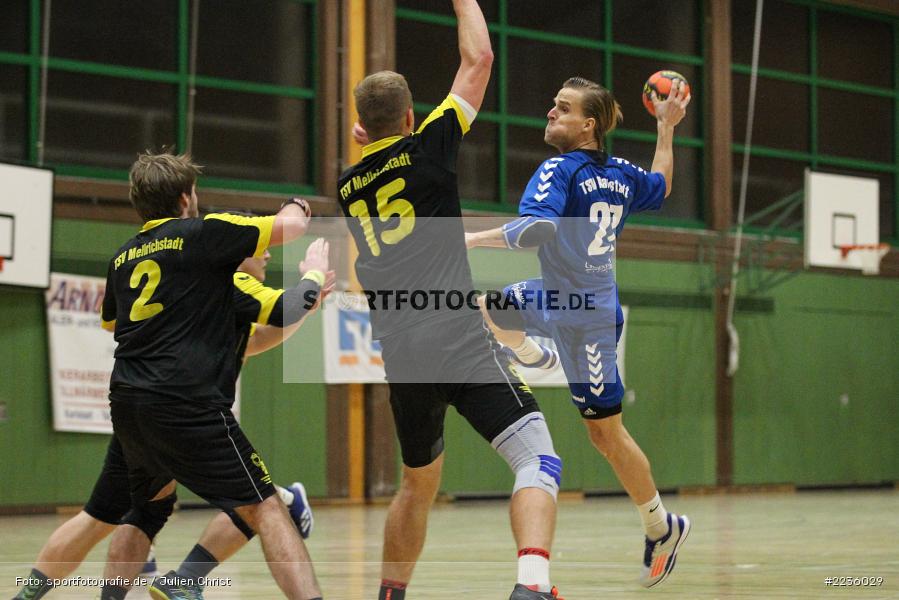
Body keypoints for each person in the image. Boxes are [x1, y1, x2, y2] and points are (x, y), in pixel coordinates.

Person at [339, 2, 562, 599]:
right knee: (538, 459)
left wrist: (378, 135)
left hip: (403, 355)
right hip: (458, 339)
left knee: (416, 484)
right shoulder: (430, 146)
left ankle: (390, 596)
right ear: (414, 115)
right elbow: (479, 58)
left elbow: (378, 154)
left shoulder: (347, 186)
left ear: (361, 126)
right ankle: (533, 585)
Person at [464, 76, 692, 588]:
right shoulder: (620, 173)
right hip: (557, 298)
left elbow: (535, 230)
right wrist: (665, 129)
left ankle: (661, 526)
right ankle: (535, 356)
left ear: (588, 125)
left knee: (604, 434)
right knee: (495, 305)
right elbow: (661, 183)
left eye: (562, 108)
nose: (550, 112)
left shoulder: (558, 170)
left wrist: (473, 237)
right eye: (553, 103)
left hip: (587, 322)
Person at [11, 243, 333, 600]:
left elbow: (257, 339)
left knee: (122, 514)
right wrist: (312, 277)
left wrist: (305, 304)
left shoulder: (189, 284)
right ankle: (186, 579)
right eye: (261, 247)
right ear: (236, 252)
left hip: (138, 412)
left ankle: (30, 595)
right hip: (189, 416)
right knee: (260, 504)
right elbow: (284, 309)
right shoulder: (233, 281)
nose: (268, 255)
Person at [96, 151, 323, 600]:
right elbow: (291, 228)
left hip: (127, 402)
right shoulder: (205, 235)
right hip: (186, 402)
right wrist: (301, 210)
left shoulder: (123, 257)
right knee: (268, 507)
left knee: (145, 511)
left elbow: (111, 323)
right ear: (186, 198)